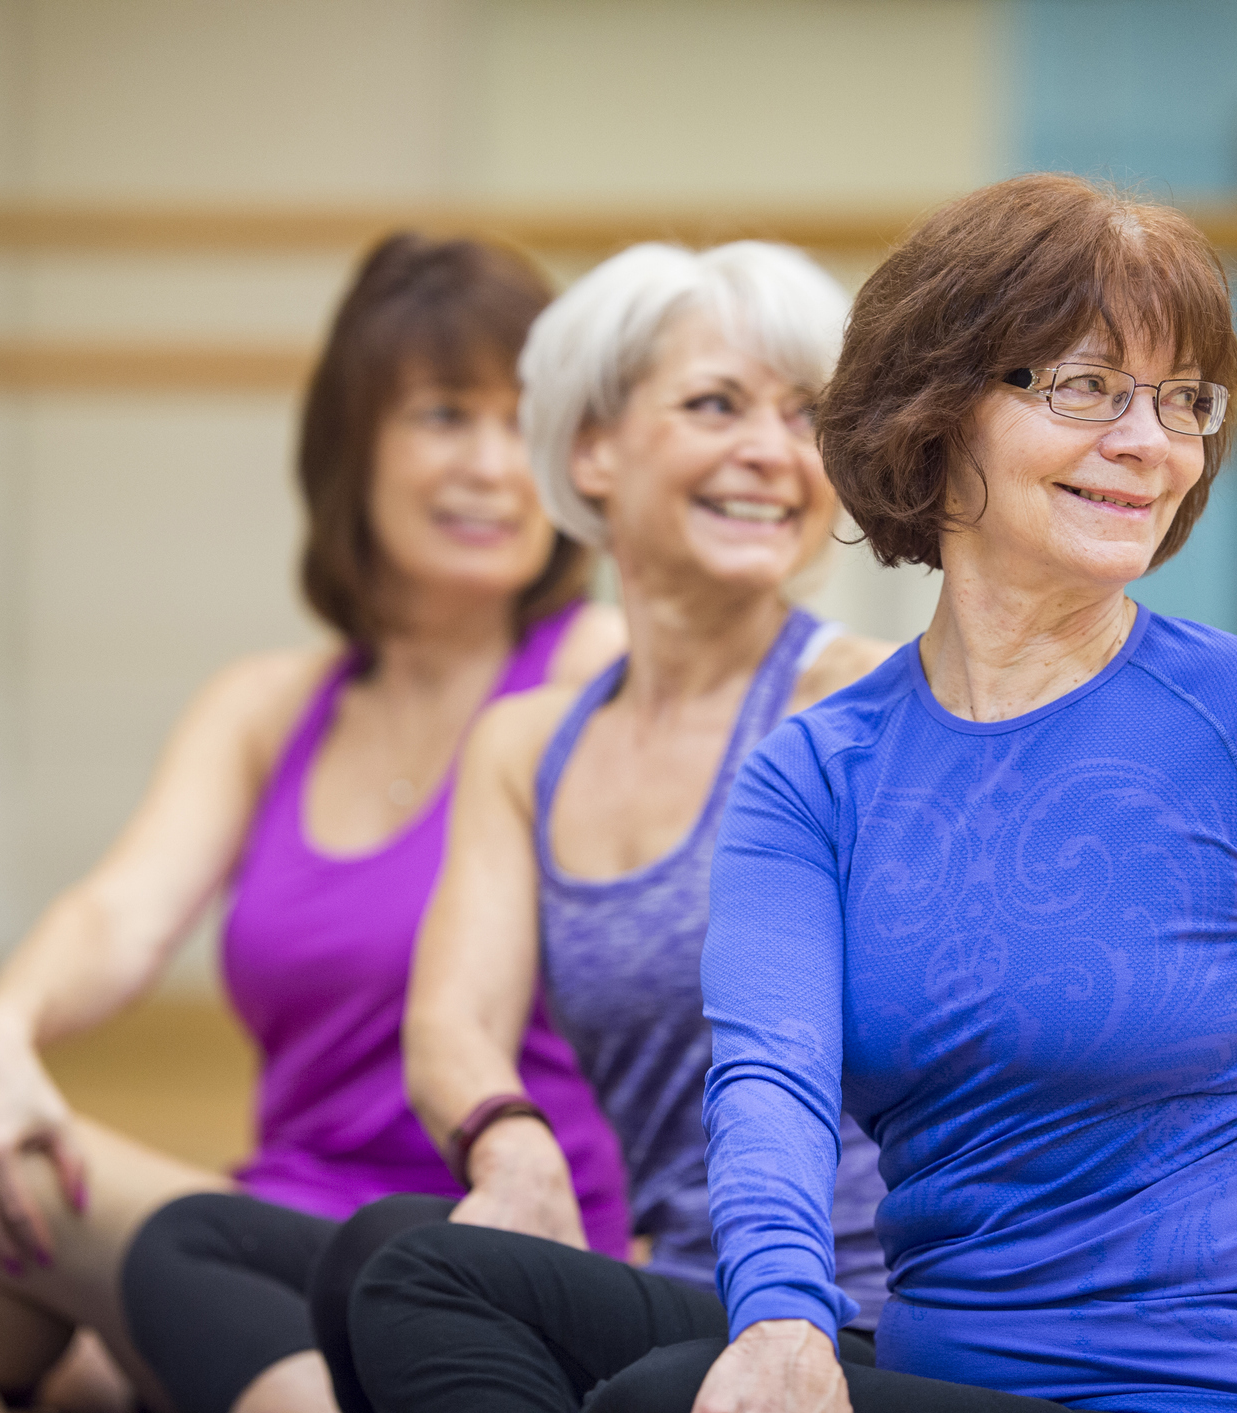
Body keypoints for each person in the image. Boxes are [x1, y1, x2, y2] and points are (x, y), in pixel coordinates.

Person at [623, 174, 1237, 1412]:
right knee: (468, 1299)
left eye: (1183, 401)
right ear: (935, 415)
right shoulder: (811, 777)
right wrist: (777, 1317)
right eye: (1085, 387)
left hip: (1221, 1389)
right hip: (941, 1387)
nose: (1151, 443)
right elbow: (768, 1081)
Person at [0, 232, 630, 1413]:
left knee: (80, 1316)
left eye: (523, 421)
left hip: (475, 1269)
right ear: (353, 448)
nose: (494, 466)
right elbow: (120, 914)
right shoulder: (267, 707)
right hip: (241, 1251)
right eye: (445, 415)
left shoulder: (597, 673)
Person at [125, 240, 899, 1413]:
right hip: (675, 1288)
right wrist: (508, 1141)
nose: (770, 453)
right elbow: (451, 1022)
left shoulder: (866, 706)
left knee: (435, 1289)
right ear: (591, 449)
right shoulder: (529, 745)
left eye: (805, 419)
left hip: (848, 1314)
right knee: (222, 1244)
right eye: (714, 405)